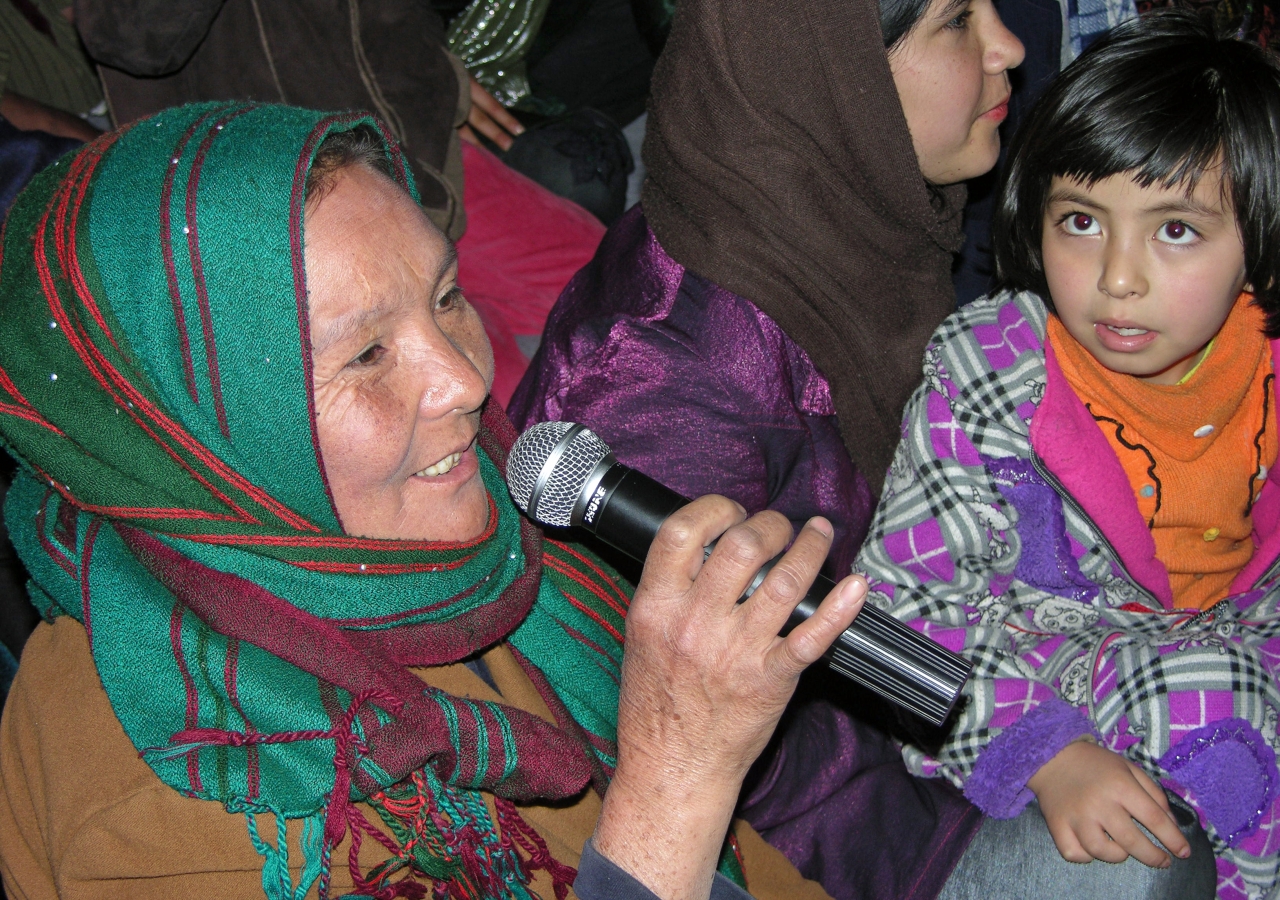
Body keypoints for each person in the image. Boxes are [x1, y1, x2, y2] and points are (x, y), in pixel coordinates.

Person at [0, 103, 869, 899]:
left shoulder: (452, 546)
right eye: (368, 355)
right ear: (195, 432)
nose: (465, 378)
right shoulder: (176, 799)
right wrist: (676, 776)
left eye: (447, 297)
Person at [510, 0, 1021, 893]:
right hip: (831, 831)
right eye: (954, 21)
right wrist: (1013, 738)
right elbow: (691, 733)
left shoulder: (840, 233)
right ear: (830, 78)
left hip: (939, 684)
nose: (1009, 46)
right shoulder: (669, 380)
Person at [855, 11, 1280, 898]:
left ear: (1260, 245)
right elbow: (893, 621)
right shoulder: (990, 370)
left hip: (1242, 631)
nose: (1118, 277)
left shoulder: (1268, 360)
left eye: (1175, 231)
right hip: (1045, 665)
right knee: (1212, 699)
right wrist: (1044, 752)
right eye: (1082, 221)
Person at [72, 0, 608, 407]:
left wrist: (440, 74)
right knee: (482, 391)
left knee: (614, 285)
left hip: (414, 146)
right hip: (289, 198)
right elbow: (129, 37)